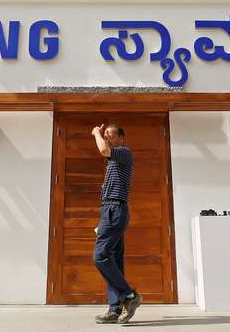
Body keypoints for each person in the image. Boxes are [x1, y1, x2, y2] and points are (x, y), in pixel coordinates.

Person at [91, 123, 142, 324]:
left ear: (121, 138)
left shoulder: (123, 152)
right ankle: (115, 309)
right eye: (105, 135)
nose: (107, 138)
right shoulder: (112, 163)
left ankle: (130, 296)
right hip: (109, 212)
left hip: (114, 211)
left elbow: (103, 149)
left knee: (100, 256)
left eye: (111, 135)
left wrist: (96, 132)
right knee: (113, 261)